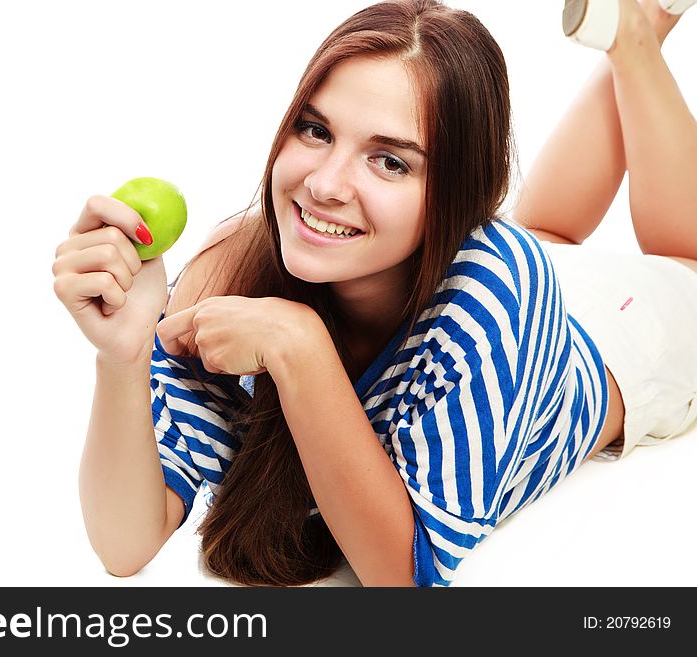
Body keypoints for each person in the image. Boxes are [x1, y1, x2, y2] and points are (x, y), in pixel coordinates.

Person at [52, 0, 697, 587]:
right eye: (314, 130)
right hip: (490, 275)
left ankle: (637, 39)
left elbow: (401, 578)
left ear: (457, 198)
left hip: (618, 334)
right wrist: (122, 356)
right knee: (548, 232)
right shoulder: (234, 265)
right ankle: (633, 34)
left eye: (390, 160)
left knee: (686, 263)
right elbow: (124, 544)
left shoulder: (490, 300)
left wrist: (298, 347)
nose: (326, 184)